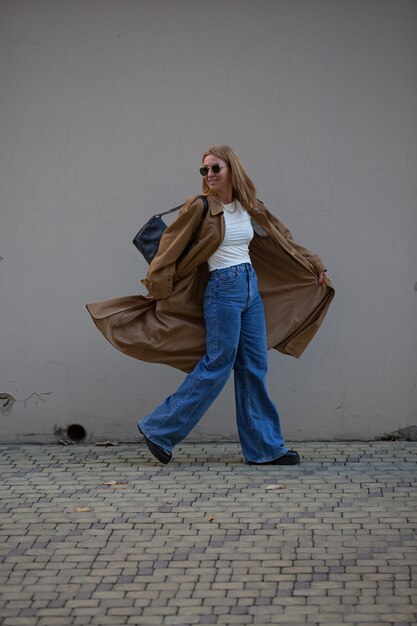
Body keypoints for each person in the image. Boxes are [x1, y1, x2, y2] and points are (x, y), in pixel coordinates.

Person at [86, 145, 334, 465]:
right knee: (218, 363)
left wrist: (315, 265)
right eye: (205, 170)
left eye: (216, 168)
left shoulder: (250, 206)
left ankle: (264, 449)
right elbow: (168, 248)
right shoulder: (200, 206)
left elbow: (284, 238)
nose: (210, 175)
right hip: (223, 289)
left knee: (254, 368)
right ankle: (159, 428)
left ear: (232, 169)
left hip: (250, 290)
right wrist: (159, 288)